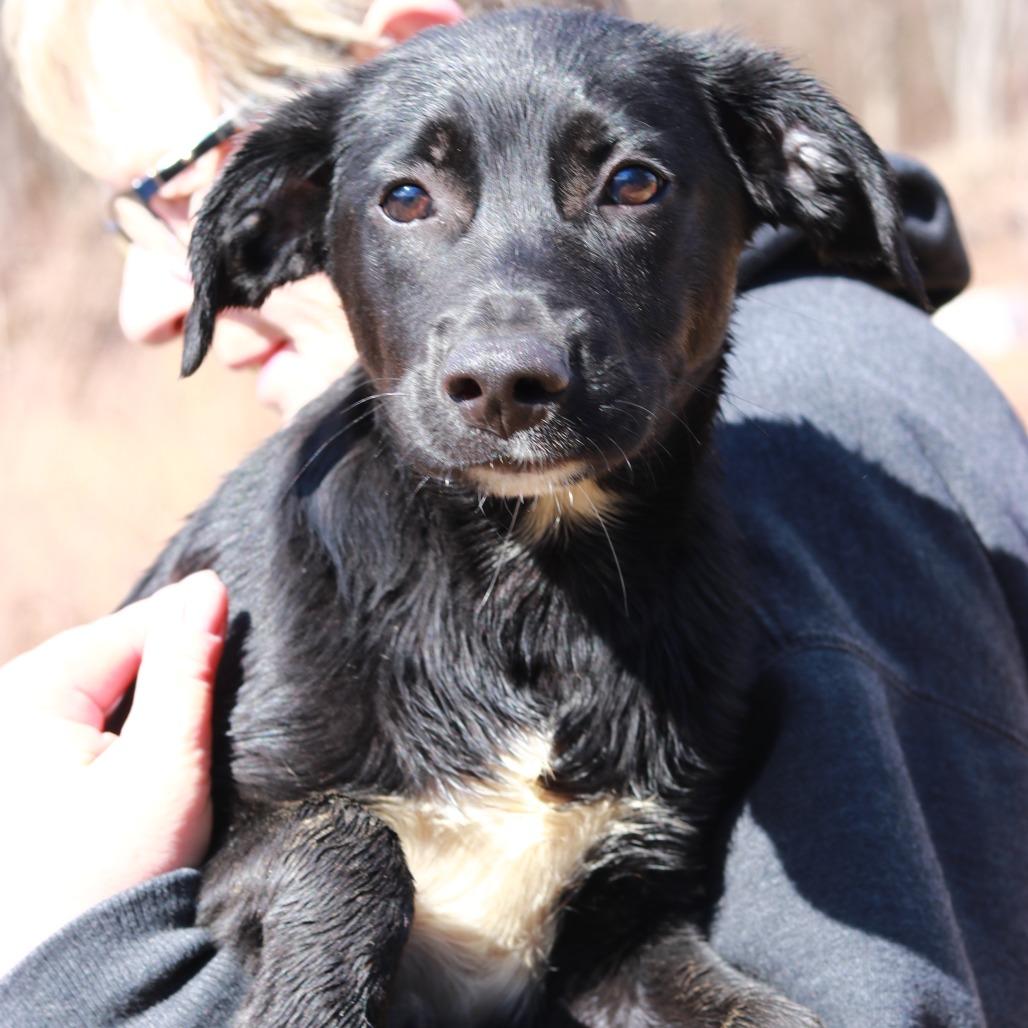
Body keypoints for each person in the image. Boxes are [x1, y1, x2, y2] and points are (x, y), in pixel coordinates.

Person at [1, 1, 1026, 1025]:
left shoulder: (808, 469)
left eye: (627, 185)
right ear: (297, 214)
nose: (503, 359)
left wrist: (62, 956)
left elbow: (617, 954)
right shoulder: (274, 603)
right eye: (407, 197)